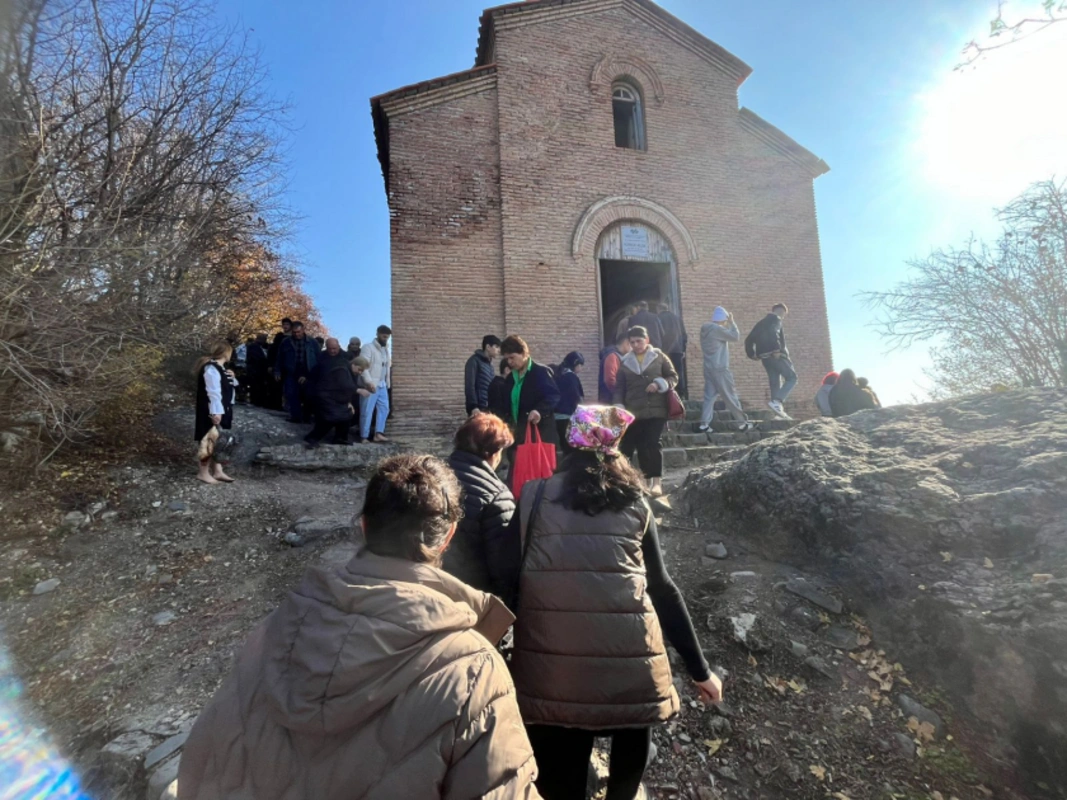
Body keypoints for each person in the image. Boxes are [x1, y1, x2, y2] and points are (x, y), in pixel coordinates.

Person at [177, 454, 541, 800]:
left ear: (365, 527)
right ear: (447, 537)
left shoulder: (274, 631)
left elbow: (204, 760)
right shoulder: (474, 672)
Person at [512, 406, 723, 800]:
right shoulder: (636, 503)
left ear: (570, 441)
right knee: (631, 736)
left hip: (552, 666)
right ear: (616, 445)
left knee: (561, 768)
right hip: (631, 663)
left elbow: (507, 579)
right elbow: (662, 589)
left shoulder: (534, 497)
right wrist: (700, 671)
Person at [444, 414, 520, 610]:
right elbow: (503, 566)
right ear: (492, 453)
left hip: (428, 592)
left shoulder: (432, 478)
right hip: (473, 602)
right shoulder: (497, 497)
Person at [613, 326, 678, 497]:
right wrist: (618, 405)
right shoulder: (625, 362)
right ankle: (643, 482)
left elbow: (673, 377)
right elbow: (619, 387)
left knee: (653, 443)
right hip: (633, 411)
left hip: (657, 409)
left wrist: (659, 384)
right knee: (638, 446)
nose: (636, 345)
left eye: (639, 341)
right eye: (632, 342)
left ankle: (657, 482)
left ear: (647, 340)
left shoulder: (659, 357)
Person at [698, 307, 754, 434]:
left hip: (708, 368)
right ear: (723, 319)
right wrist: (732, 322)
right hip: (720, 368)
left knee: (709, 397)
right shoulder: (717, 329)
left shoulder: (705, 329)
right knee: (730, 396)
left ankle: (704, 424)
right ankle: (742, 423)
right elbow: (735, 337)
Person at [501, 335, 561, 450]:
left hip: (539, 431)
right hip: (518, 432)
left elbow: (553, 396)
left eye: (512, 357)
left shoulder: (540, 372)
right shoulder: (510, 378)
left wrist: (539, 410)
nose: (509, 362)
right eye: (507, 359)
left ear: (524, 353)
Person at [193, 342, 238, 485]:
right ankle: (203, 473)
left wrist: (232, 376)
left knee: (219, 441)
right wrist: (216, 412)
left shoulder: (220, 368)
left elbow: (231, 387)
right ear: (226, 353)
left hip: (222, 408)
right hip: (212, 409)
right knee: (208, 441)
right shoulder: (211, 368)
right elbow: (213, 393)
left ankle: (218, 471)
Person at [745, 302, 797, 420]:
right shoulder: (776, 319)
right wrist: (776, 349)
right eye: (784, 314)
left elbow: (749, 339)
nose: (783, 316)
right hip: (776, 355)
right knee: (792, 378)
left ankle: (777, 414)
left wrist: (752, 354)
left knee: (775, 383)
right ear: (782, 311)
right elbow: (774, 332)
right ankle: (778, 402)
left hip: (764, 358)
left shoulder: (760, 323)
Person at [304, 338, 357, 448]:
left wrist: (351, 396)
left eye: (335, 348)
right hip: (324, 392)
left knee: (346, 416)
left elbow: (350, 377)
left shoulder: (346, 357)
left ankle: (340, 438)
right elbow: (315, 372)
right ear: (326, 348)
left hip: (341, 393)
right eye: (330, 349)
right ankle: (313, 437)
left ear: (339, 346)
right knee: (327, 417)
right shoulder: (322, 357)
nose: (332, 351)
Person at [275, 321, 319, 423]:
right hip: (292, 371)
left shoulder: (313, 342)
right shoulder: (286, 342)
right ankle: (295, 417)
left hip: (308, 371)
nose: (296, 334)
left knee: (308, 395)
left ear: (303, 330)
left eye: (298, 332)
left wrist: (312, 374)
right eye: (294, 332)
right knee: (291, 394)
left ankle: (307, 417)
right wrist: (277, 370)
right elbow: (279, 357)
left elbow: (318, 359)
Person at [360, 325, 393, 443]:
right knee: (367, 410)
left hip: (382, 384)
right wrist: (368, 382)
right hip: (370, 384)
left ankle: (378, 433)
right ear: (378, 334)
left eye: (387, 337)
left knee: (384, 408)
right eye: (384, 336)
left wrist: (387, 383)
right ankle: (364, 436)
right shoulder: (368, 348)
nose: (385, 339)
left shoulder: (385, 350)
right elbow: (363, 366)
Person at [553, 351, 585, 450]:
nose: (581, 368)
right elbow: (576, 397)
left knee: (563, 445)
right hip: (568, 417)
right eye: (580, 365)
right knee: (570, 448)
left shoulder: (558, 374)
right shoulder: (571, 377)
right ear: (575, 364)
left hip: (556, 416)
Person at [464, 335, 502, 415]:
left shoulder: (490, 365)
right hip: (478, 408)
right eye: (496, 347)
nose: (499, 350)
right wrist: (473, 407)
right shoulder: (474, 361)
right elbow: (469, 385)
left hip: (489, 408)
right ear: (488, 347)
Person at [657, 302, 688, 398]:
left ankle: (667, 393)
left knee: (665, 371)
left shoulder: (658, 318)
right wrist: (683, 349)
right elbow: (684, 335)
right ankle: (680, 394)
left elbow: (659, 334)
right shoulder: (678, 319)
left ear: (659, 309)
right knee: (678, 371)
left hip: (665, 350)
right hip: (677, 350)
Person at [598, 331, 632, 404]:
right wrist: (619, 394)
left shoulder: (616, 356)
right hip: (610, 400)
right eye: (632, 343)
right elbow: (609, 379)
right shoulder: (612, 356)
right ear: (626, 343)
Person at [246, 333, 270, 407]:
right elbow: (257, 358)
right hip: (255, 369)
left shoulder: (261, 347)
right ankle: (256, 401)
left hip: (258, 370)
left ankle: (258, 400)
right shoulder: (253, 346)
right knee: (256, 386)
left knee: (258, 386)